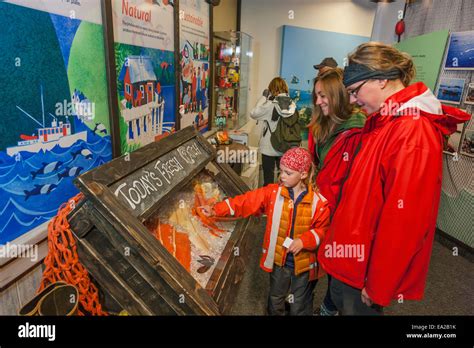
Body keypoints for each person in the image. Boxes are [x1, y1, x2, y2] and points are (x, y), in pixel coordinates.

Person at [317, 42, 470, 315]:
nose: (351, 100)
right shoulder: (384, 122)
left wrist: (379, 284)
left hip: (365, 270)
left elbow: (405, 222)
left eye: (355, 91)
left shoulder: (412, 132)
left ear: (380, 79)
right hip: (354, 258)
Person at [200, 148, 330, 315]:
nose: (282, 175)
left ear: (303, 174)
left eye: (288, 173)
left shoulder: (319, 203)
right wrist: (216, 209)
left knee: (300, 302)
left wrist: (304, 241)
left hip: (304, 264)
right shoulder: (273, 193)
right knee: (276, 297)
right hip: (279, 260)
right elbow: (246, 201)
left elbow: (323, 230)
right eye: (281, 170)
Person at [307, 68, 366, 316]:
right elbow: (316, 164)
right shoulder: (320, 125)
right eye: (316, 96)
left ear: (339, 95)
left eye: (323, 96)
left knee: (337, 269)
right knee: (314, 261)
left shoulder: (360, 130)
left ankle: (328, 308)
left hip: (344, 215)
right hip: (321, 207)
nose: (318, 102)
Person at [250, 77, 297, 186]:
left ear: (272, 89)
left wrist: (263, 97)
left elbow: (253, 113)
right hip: (285, 146)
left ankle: (269, 200)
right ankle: (282, 199)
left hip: (268, 148)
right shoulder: (292, 105)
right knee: (285, 179)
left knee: (268, 180)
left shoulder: (270, 105)